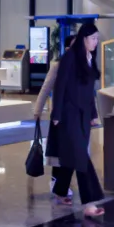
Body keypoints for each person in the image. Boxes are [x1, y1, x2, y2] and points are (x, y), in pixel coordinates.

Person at [46, 22, 105, 217]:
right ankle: (89, 203)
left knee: (73, 155)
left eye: (97, 39)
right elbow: (60, 87)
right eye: (93, 38)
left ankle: (60, 190)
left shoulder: (89, 58)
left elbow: (89, 91)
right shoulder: (70, 57)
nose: (96, 42)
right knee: (80, 156)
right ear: (84, 38)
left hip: (83, 116)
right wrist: (56, 114)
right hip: (68, 115)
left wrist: (93, 114)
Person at [34, 36, 75, 198]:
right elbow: (46, 88)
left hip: (75, 116)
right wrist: (38, 110)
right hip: (60, 116)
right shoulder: (58, 66)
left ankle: (62, 183)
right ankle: (56, 181)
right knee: (59, 150)